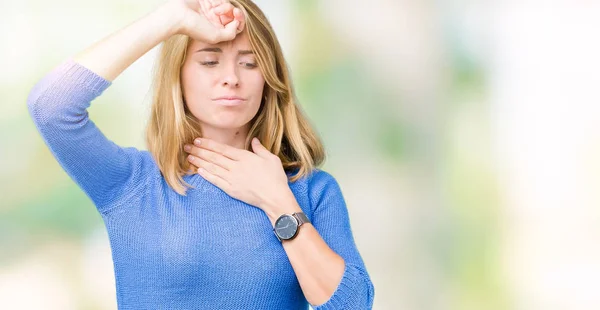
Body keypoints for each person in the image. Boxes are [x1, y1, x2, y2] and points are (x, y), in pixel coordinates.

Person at [26, 0, 375, 308]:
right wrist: (167, 20)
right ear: (178, 76)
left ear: (269, 79)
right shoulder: (133, 184)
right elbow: (51, 106)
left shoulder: (311, 192)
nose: (231, 78)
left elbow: (352, 305)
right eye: (210, 61)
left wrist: (278, 202)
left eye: (250, 64)